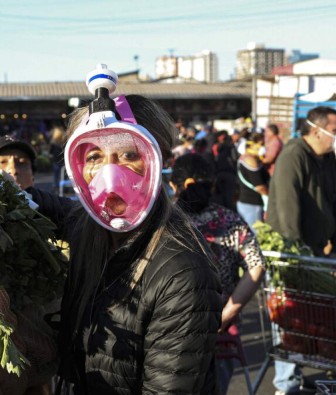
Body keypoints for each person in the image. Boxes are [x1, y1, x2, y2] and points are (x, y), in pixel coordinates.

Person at [27, 67, 223, 394]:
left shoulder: (181, 274)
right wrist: (1, 190)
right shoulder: (88, 230)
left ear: (156, 159)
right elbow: (54, 208)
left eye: (129, 155)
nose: (109, 174)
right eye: (94, 156)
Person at [170, 153, 266, 395]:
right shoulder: (229, 220)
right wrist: (227, 313)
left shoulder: (163, 221)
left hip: (168, 330)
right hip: (219, 333)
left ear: (174, 185)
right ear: (212, 185)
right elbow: (257, 265)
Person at [266, 106, 336, 395]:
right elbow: (288, 210)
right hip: (292, 251)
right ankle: (285, 384)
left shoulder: (329, 160)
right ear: (317, 130)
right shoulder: (293, 155)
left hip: (316, 250)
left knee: (307, 316)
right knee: (289, 315)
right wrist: (295, 255)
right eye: (335, 131)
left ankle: (296, 374)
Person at [236, 132, 269, 232]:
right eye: (261, 144)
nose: (263, 147)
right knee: (256, 237)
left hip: (246, 203)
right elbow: (259, 187)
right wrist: (272, 197)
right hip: (252, 204)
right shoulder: (251, 161)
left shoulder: (244, 158)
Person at [49, 126, 67, 192]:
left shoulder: (53, 142)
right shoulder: (63, 141)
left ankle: (56, 187)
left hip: (56, 159)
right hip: (62, 159)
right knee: (63, 174)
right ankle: (63, 187)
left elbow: (50, 152)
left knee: (56, 174)